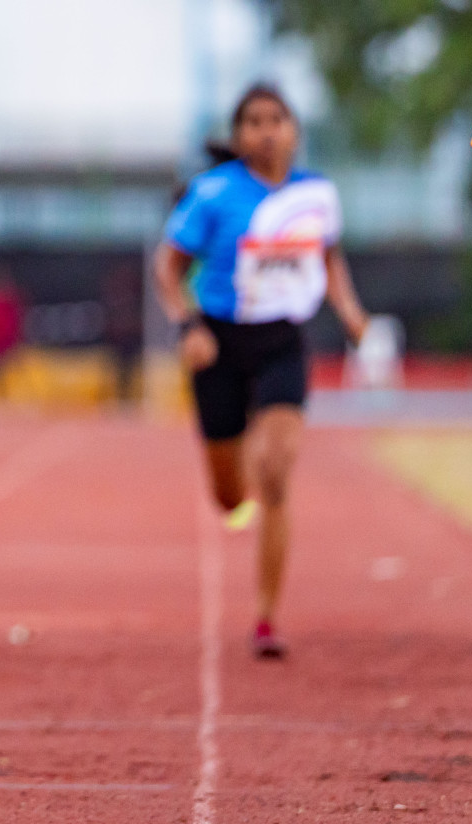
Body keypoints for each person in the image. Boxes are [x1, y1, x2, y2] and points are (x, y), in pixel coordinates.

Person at [153, 85, 369, 660]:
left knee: (275, 475)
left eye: (277, 119)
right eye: (253, 121)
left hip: (282, 343)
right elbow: (168, 268)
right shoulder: (212, 193)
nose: (266, 130)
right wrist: (186, 327)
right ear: (239, 134)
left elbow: (328, 256)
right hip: (218, 345)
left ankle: (268, 616)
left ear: (295, 129)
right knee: (230, 498)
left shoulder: (317, 195)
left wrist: (348, 310)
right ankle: (241, 471)